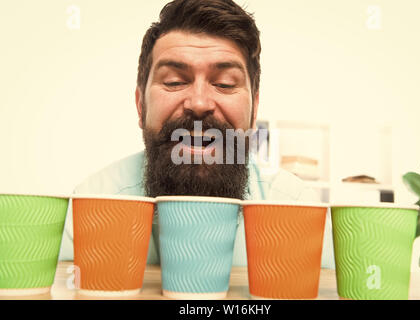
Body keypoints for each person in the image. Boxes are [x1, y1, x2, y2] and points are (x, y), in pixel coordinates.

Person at [59, 0, 335, 268]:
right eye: (175, 82)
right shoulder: (91, 207)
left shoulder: (298, 211)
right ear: (141, 105)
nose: (200, 103)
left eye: (225, 84)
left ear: (254, 110)